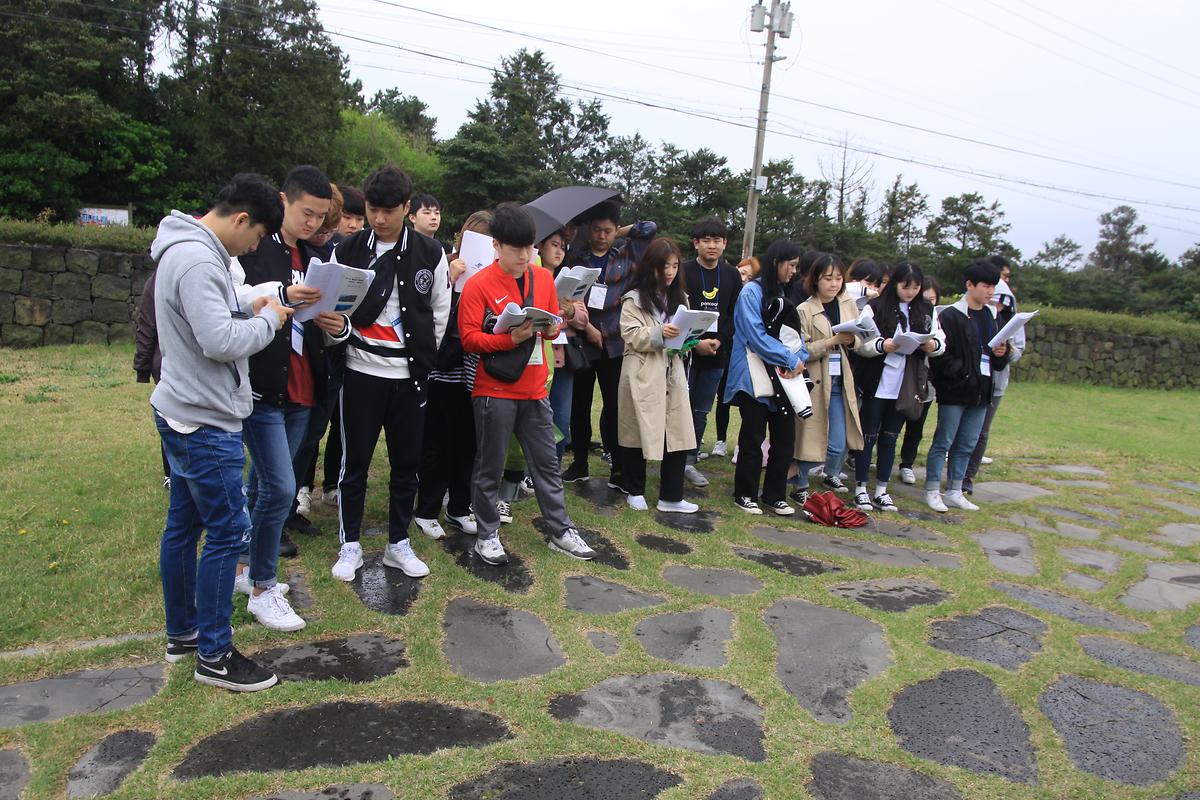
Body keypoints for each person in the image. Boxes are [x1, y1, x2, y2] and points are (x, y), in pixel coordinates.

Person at [151, 173, 290, 691]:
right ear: (242, 219)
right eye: (256, 237)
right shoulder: (198, 260)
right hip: (204, 419)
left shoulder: (187, 249)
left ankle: (184, 633)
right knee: (229, 532)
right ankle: (214, 654)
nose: (254, 247)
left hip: (183, 407)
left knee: (184, 527)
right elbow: (218, 341)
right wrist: (270, 321)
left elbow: (207, 321)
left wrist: (249, 305)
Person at [229, 165, 343, 633]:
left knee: (264, 486)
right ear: (284, 202)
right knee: (279, 488)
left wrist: (337, 323)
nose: (313, 223)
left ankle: (244, 566)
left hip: (305, 385)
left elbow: (328, 320)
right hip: (263, 386)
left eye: (320, 216)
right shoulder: (256, 250)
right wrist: (281, 299)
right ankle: (263, 585)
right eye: (306, 213)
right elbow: (239, 307)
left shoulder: (318, 256)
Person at [328, 164, 452, 581]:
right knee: (354, 463)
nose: (379, 219)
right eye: (372, 210)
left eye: (388, 211)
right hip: (359, 372)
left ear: (406, 207)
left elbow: (439, 311)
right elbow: (329, 308)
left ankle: (398, 542)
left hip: (409, 376)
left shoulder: (429, 253)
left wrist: (421, 358)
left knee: (407, 465)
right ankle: (350, 543)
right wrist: (341, 337)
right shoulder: (348, 250)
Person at [458, 203, 596, 565]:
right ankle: (487, 534)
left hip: (535, 387)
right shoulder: (478, 285)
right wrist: (510, 338)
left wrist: (551, 328)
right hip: (494, 388)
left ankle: (561, 530)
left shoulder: (543, 279)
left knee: (547, 463)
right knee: (490, 465)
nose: (524, 256)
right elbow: (469, 340)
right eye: (515, 248)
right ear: (496, 246)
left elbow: (553, 326)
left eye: (529, 248)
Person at [412, 211, 494, 539]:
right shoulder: (444, 266)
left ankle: (459, 506)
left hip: (474, 371)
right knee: (437, 442)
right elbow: (422, 310)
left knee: (469, 443)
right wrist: (447, 278)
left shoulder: (492, 277)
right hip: (441, 369)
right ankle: (426, 509)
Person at [562, 202, 655, 488]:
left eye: (607, 230)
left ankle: (617, 466)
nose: (602, 236)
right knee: (579, 405)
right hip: (583, 339)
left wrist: (621, 232)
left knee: (615, 406)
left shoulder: (626, 253)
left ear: (616, 230)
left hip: (616, 341)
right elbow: (566, 296)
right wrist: (587, 328)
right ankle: (579, 462)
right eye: (597, 230)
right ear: (589, 230)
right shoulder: (576, 258)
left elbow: (649, 228)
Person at [851, 262, 945, 512]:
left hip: (906, 382)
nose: (911, 292)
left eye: (915, 287)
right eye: (906, 287)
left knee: (891, 436)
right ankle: (860, 488)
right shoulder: (876, 307)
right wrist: (882, 345)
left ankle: (882, 489)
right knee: (868, 434)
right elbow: (860, 342)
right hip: (877, 380)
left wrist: (932, 346)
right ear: (895, 284)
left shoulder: (926, 310)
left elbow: (939, 339)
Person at [724, 240, 808, 515]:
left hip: (783, 379)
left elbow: (796, 335)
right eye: (791, 265)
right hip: (753, 375)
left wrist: (799, 359)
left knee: (784, 439)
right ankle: (744, 494)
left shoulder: (786, 293)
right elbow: (755, 336)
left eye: (796, 266)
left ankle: (774, 495)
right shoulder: (751, 292)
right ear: (776, 262)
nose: (794, 271)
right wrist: (790, 360)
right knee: (753, 436)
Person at [618, 238, 698, 513]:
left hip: (672, 371)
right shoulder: (634, 298)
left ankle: (671, 496)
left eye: (675, 266)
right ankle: (634, 490)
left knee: (678, 430)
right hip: (642, 370)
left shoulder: (681, 298)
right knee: (635, 429)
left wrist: (690, 340)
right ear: (651, 266)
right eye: (665, 266)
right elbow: (630, 334)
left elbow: (685, 333)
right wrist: (659, 333)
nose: (670, 272)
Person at [925, 259, 1011, 512]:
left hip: (982, 389)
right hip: (955, 390)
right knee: (944, 441)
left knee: (967, 443)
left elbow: (996, 357)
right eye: (986, 286)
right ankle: (932, 489)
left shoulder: (991, 315)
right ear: (970, 285)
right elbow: (941, 356)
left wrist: (1002, 353)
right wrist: (959, 374)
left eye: (993, 287)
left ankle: (955, 489)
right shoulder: (951, 315)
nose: (990, 292)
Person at [791, 254, 874, 503]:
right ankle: (799, 484)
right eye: (828, 278)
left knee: (838, 442)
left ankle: (824, 473)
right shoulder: (804, 309)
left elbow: (861, 340)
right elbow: (800, 350)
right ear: (815, 280)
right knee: (808, 436)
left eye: (838, 278)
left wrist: (853, 339)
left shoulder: (847, 304)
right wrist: (831, 342)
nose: (834, 284)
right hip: (815, 380)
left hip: (840, 380)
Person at [681, 217, 741, 488]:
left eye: (717, 240)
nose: (712, 246)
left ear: (724, 243)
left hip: (718, 352)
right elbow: (677, 312)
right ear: (696, 243)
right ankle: (674, 456)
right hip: (687, 351)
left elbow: (733, 314)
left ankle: (690, 460)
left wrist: (719, 340)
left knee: (701, 409)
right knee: (681, 405)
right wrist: (695, 343)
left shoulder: (731, 275)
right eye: (706, 240)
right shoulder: (684, 271)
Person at [963, 267, 1023, 493]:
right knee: (956, 431)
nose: (996, 305)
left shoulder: (1009, 319)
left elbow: (1018, 350)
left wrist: (1005, 351)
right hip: (967, 380)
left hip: (994, 383)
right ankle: (953, 476)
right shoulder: (969, 313)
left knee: (981, 432)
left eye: (1001, 302)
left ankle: (968, 476)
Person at [541, 228, 590, 463]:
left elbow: (583, 320)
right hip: (537, 357)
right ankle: (527, 472)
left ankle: (554, 466)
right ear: (540, 246)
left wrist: (569, 310)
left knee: (561, 417)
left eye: (563, 247)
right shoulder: (530, 278)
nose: (559, 251)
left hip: (562, 360)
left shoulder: (568, 282)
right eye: (554, 245)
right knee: (535, 417)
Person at [897, 277, 942, 485]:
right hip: (901, 376)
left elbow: (942, 345)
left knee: (916, 424)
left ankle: (907, 464)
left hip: (925, 379)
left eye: (932, 299)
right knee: (893, 424)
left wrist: (933, 345)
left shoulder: (934, 318)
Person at [134, 270, 170, 490]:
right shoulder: (160, 277)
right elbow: (147, 323)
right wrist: (143, 366)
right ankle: (171, 473)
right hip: (165, 363)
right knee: (170, 416)